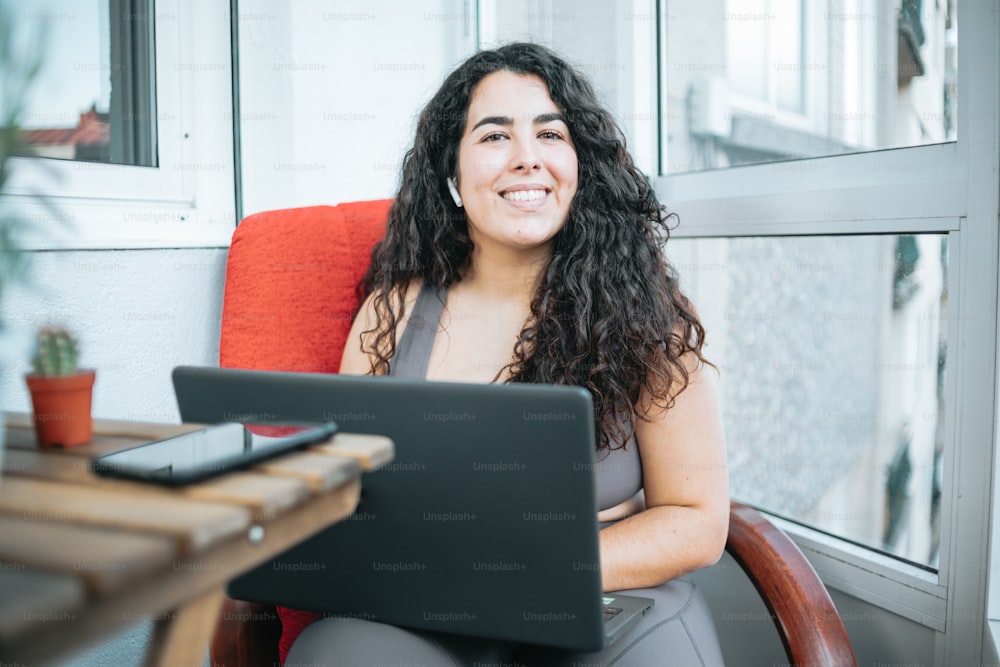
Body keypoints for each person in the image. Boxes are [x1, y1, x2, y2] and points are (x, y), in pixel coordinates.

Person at [285, 42, 729, 666]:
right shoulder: (391, 312)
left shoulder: (647, 311)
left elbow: (698, 521)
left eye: (551, 134)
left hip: (605, 591)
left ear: (580, 164)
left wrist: (535, 568)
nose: (527, 159)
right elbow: (350, 488)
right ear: (452, 175)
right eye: (495, 137)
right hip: (432, 604)